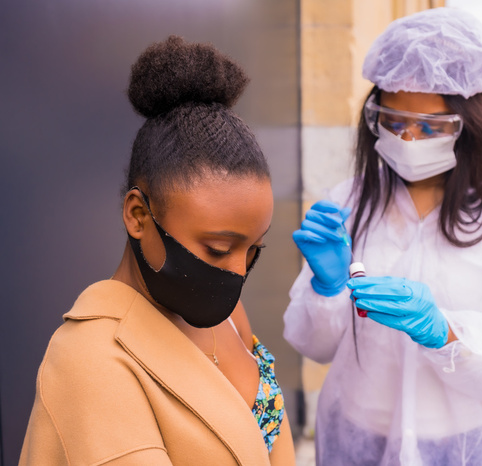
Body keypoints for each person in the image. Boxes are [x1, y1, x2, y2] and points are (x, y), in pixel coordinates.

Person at [283, 8, 482, 465]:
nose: (409, 139)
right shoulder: (348, 203)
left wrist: (448, 335)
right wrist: (326, 290)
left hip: (467, 445)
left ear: (469, 125)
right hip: (359, 437)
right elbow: (312, 347)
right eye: (394, 122)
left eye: (431, 127)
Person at [20, 36, 294, 465]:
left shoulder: (223, 313)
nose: (237, 272)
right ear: (138, 215)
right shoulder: (92, 362)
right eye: (219, 249)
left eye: (253, 249)